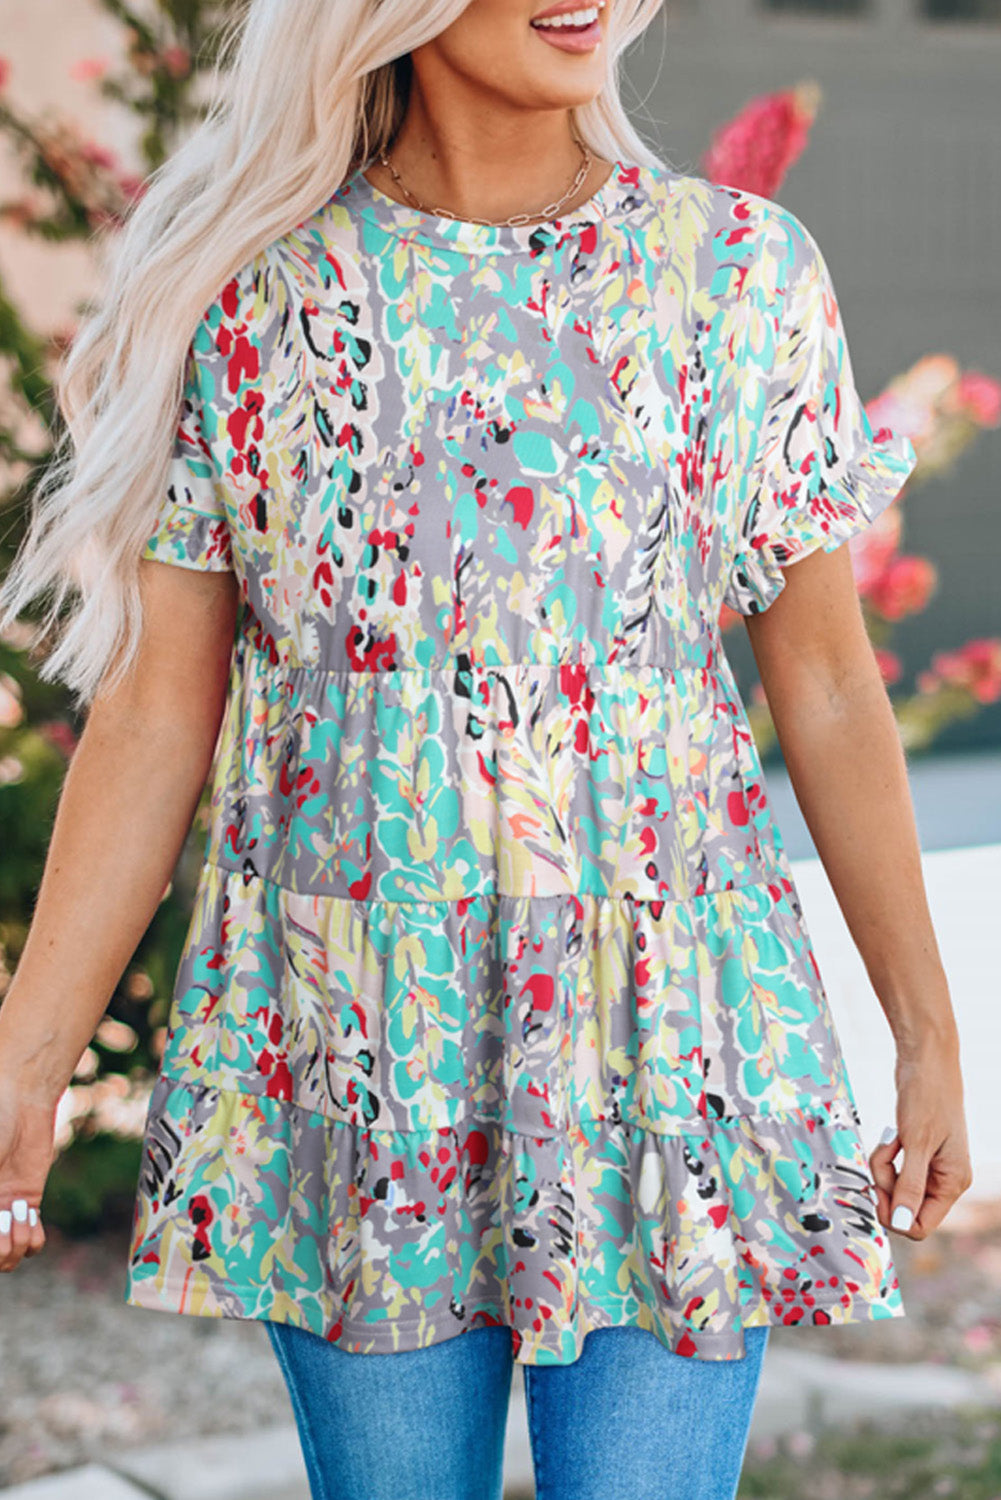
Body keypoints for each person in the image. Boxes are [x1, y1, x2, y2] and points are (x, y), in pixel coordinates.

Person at [0, 0, 974, 1496]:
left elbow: (831, 687)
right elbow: (152, 715)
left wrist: (925, 1033)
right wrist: (27, 1062)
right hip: (356, 1043)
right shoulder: (245, 293)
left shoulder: (736, 272)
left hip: (675, 1044)